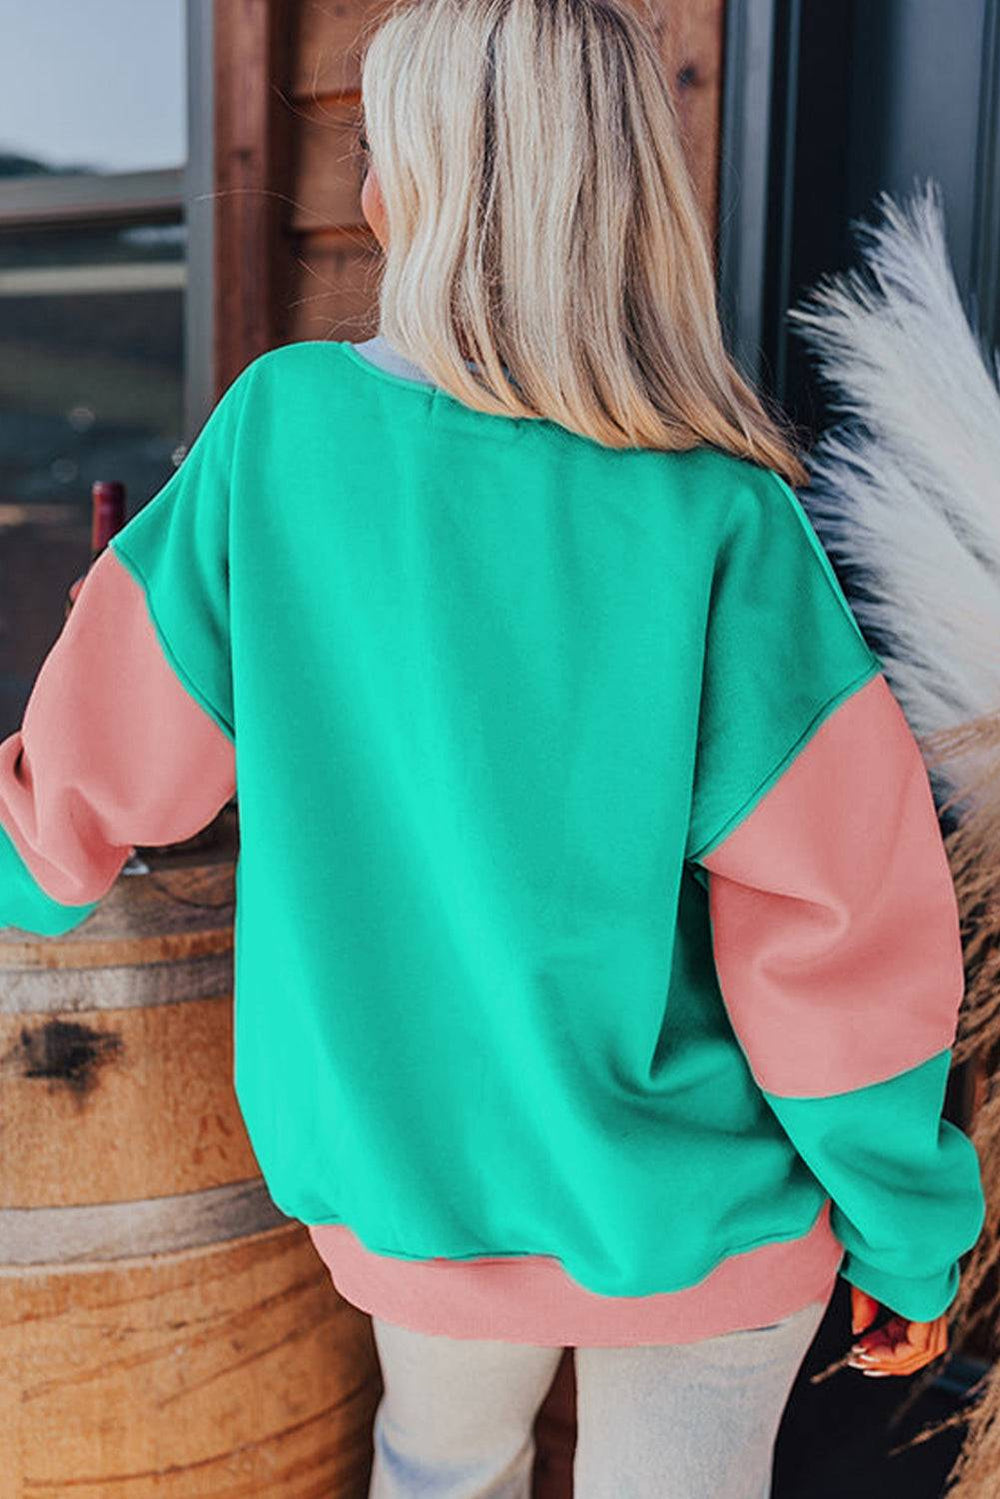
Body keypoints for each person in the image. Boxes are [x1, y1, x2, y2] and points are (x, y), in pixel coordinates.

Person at [0, 0, 985, 1494]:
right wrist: (911, 1232)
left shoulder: (281, 437)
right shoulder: (723, 510)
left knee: (436, 1466)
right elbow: (834, 934)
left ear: (438, 187)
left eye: (383, 153)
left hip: (418, 1192)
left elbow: (95, 770)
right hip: (706, 1212)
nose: (367, 192)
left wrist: (39, 871)